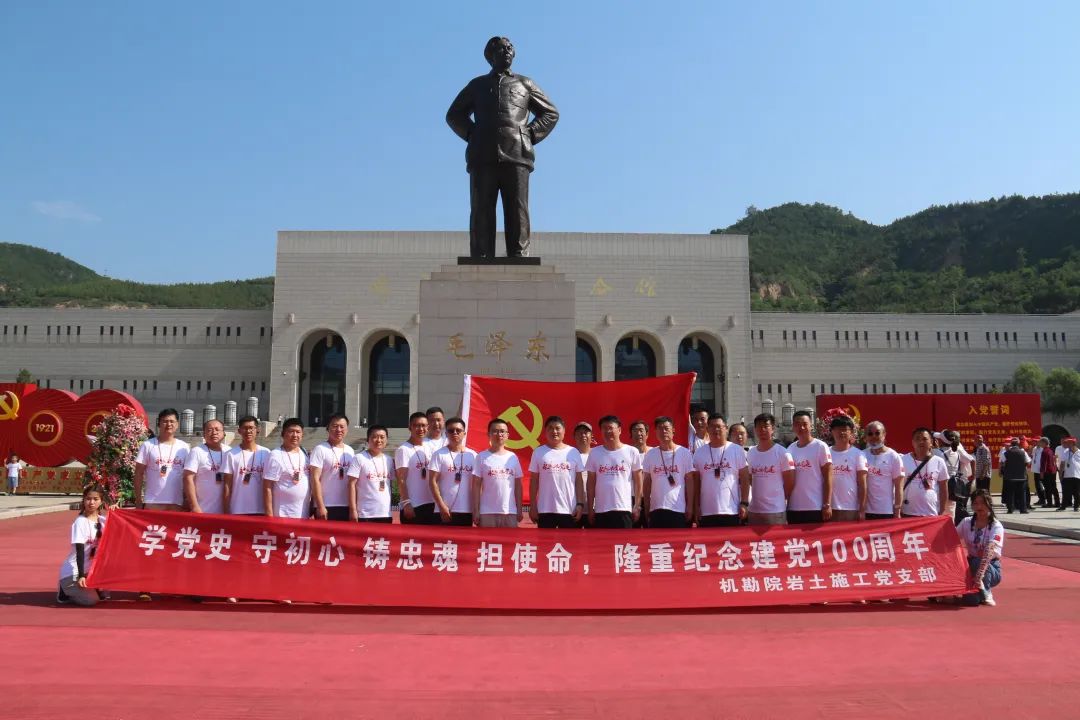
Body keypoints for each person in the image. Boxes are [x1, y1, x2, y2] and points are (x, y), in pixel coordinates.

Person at [446, 36, 559, 258]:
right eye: (500, 49)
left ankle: (518, 253)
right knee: (481, 207)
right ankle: (481, 254)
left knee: (517, 207)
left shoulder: (525, 84)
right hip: (482, 154)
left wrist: (529, 133)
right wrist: (473, 134)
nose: (506, 51)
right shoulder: (477, 85)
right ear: (490, 56)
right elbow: (454, 114)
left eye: (509, 48)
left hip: (517, 153)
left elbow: (550, 113)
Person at [691, 413, 749, 527]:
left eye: (719, 426)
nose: (716, 430)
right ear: (707, 429)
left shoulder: (736, 450)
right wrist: (696, 506)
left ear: (726, 428)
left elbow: (745, 478)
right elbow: (696, 482)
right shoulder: (699, 453)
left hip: (731, 510)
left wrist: (744, 503)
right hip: (707, 511)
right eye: (712, 427)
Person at [585, 415, 643, 529]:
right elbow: (590, 483)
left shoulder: (631, 451)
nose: (607, 431)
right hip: (601, 510)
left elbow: (638, 481)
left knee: (624, 541)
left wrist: (637, 505)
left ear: (619, 430)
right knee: (601, 541)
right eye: (604, 428)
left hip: (623, 509)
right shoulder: (595, 453)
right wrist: (590, 508)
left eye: (610, 428)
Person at [528, 416, 586, 528]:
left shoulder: (573, 452)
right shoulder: (538, 452)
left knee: (569, 540)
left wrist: (580, 504)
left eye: (557, 428)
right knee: (545, 540)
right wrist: (533, 506)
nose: (554, 431)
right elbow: (534, 481)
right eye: (550, 428)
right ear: (545, 432)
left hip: (569, 509)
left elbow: (579, 481)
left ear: (564, 431)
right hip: (545, 509)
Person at [56, 485, 108, 606]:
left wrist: (116, 511)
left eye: (95, 499)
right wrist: (81, 576)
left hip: (91, 571)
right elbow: (80, 551)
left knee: (105, 594)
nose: (91, 502)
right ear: (83, 500)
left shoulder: (103, 520)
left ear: (101, 501)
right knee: (91, 600)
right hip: (74, 572)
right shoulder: (80, 522)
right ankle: (64, 590)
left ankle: (90, 586)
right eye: (88, 499)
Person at [642, 416, 695, 528]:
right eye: (660, 428)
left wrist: (690, 506)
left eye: (666, 428)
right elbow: (646, 483)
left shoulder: (684, 453)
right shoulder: (650, 454)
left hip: (678, 509)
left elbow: (690, 481)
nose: (663, 431)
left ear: (673, 430)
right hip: (656, 509)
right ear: (656, 432)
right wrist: (646, 507)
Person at [133, 408, 190, 511]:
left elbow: (188, 476)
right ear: (159, 424)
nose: (169, 424)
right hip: (153, 502)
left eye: (172, 421)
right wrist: (138, 500)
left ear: (177, 424)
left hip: (176, 503)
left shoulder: (184, 447)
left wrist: (187, 498)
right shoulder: (148, 445)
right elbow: (138, 473)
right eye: (165, 421)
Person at [472, 419, 524, 528]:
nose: (499, 434)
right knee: (486, 539)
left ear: (507, 435)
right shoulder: (481, 457)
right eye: (495, 431)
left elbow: (518, 485)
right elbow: (476, 485)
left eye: (502, 431)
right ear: (489, 434)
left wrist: (519, 508)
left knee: (510, 539)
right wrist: (476, 510)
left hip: (509, 511)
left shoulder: (513, 457)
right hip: (487, 512)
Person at [956, 490, 1004, 607]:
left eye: (982, 503)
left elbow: (989, 550)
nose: (979, 507)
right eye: (975, 503)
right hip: (971, 565)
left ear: (989, 504)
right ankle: (978, 592)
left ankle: (986, 591)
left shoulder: (996, 526)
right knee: (971, 601)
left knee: (979, 560)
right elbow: (951, 539)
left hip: (991, 567)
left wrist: (979, 575)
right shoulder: (966, 522)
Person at [746, 413, 794, 526]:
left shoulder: (783, 453)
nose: (762, 430)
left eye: (766, 426)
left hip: (775, 510)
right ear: (755, 429)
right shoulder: (751, 452)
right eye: (759, 427)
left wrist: (779, 498)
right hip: (754, 510)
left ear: (772, 428)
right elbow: (750, 479)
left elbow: (790, 482)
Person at [787, 410, 833, 524]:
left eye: (805, 424)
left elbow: (828, 477)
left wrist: (827, 504)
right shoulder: (790, 449)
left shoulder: (820, 446)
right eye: (797, 424)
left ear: (811, 425)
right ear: (793, 427)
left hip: (815, 506)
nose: (801, 427)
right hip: (794, 507)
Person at [429, 417, 477, 526]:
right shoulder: (438, 454)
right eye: (451, 431)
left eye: (458, 430)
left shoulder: (473, 455)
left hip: (466, 510)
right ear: (446, 434)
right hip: (444, 511)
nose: (455, 433)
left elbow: (478, 484)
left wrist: (476, 508)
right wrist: (441, 506)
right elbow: (432, 481)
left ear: (464, 433)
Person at [308, 414, 356, 521]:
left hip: (346, 505)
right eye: (335, 426)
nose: (339, 430)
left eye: (342, 426)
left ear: (347, 429)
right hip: (326, 505)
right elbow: (314, 479)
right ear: (328, 428)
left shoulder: (350, 451)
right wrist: (320, 506)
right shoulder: (320, 449)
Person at [262, 418, 311, 519]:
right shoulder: (275, 455)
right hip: (282, 515)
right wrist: (269, 515)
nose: (295, 435)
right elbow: (267, 486)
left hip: (303, 514)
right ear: (283, 434)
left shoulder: (304, 454)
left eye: (298, 432)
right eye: (291, 431)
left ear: (302, 435)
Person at [223, 415, 270, 516]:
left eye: (251, 428)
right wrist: (226, 510)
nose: (248, 431)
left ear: (257, 430)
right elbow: (227, 484)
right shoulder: (231, 454)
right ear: (239, 431)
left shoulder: (266, 453)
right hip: (238, 509)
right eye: (245, 428)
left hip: (261, 510)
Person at [182, 419, 230, 515]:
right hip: (202, 510)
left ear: (224, 433)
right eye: (210, 430)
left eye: (217, 429)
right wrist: (194, 506)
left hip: (225, 511)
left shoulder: (229, 451)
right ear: (204, 434)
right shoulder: (197, 451)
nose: (214, 433)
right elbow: (188, 478)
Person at [347, 425, 394, 523]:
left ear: (386, 440)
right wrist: (353, 510)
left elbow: (390, 485)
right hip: (365, 514)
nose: (379, 440)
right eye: (374, 437)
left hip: (385, 514)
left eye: (382, 437)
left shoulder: (389, 460)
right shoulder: (359, 458)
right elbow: (351, 484)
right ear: (368, 440)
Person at [395, 412, 436, 524]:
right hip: (413, 506)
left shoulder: (430, 447)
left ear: (428, 427)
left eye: (423, 425)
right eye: (417, 425)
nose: (421, 429)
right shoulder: (403, 450)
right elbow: (401, 479)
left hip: (431, 504)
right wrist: (406, 503)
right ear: (410, 427)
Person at [900, 428, 950, 518]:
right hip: (907, 512)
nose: (921, 442)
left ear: (931, 442)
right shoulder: (903, 460)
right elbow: (897, 486)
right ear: (913, 442)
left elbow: (944, 488)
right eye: (917, 439)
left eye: (924, 439)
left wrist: (942, 510)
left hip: (931, 513)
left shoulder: (939, 461)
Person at [828, 416, 867, 521]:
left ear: (851, 432)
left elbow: (862, 484)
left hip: (850, 508)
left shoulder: (858, 454)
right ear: (832, 432)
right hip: (829, 508)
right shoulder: (826, 452)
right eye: (838, 429)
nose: (841, 432)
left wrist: (862, 509)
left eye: (845, 429)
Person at [862, 421, 904, 519]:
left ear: (884, 434)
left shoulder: (893, 456)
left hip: (886, 511)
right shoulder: (861, 455)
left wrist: (897, 510)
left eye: (877, 433)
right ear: (866, 437)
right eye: (870, 434)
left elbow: (899, 486)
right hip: (866, 511)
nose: (874, 436)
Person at [935, 429, 973, 524]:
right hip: (954, 487)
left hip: (940, 486)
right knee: (951, 513)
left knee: (938, 513)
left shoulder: (936, 452)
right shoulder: (956, 453)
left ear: (941, 441)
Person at [628, 419, 651, 527]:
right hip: (631, 498)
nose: (638, 433)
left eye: (641, 430)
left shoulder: (654, 453)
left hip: (650, 498)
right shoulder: (627, 453)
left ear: (647, 434)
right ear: (631, 435)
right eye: (635, 431)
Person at [1001, 438, 1031, 514]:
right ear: (1018, 444)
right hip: (1021, 476)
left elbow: (1002, 463)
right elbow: (1028, 462)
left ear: (1011, 444)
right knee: (1022, 493)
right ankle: (1023, 509)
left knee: (1010, 493)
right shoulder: (1023, 452)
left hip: (1009, 477)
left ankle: (1010, 509)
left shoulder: (1006, 453)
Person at [573, 421, 594, 528]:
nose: (583, 435)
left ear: (592, 436)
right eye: (580, 433)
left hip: (595, 509)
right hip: (574, 508)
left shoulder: (598, 454)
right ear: (574, 436)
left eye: (586, 432)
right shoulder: (569, 455)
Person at [1056, 436, 1079, 512]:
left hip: (1077, 475)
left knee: (1077, 492)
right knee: (1065, 492)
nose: (1067, 444)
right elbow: (1062, 464)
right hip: (1067, 475)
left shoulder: (1079, 452)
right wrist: (1060, 474)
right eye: (1067, 442)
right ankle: (1063, 506)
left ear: (1073, 443)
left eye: (1069, 442)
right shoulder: (1065, 452)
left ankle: (1076, 506)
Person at [1037, 437, 1059, 508]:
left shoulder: (1044, 451)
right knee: (1053, 487)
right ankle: (1057, 502)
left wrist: (1041, 473)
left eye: (1040, 442)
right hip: (1052, 471)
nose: (1039, 444)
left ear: (1044, 443)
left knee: (1048, 488)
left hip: (1047, 472)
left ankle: (1049, 503)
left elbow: (1044, 463)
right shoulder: (1050, 450)